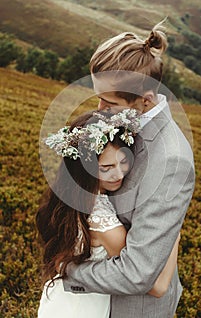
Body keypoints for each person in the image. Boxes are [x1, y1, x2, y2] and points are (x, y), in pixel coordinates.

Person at [63, 20, 195, 317]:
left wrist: (66, 272)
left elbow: (139, 273)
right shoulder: (123, 123)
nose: (98, 110)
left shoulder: (171, 161)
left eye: (107, 103)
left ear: (145, 101)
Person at [37, 109, 181, 318]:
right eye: (106, 167)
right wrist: (172, 233)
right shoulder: (105, 226)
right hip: (83, 311)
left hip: (59, 301)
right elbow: (156, 286)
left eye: (124, 162)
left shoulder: (68, 198)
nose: (119, 173)